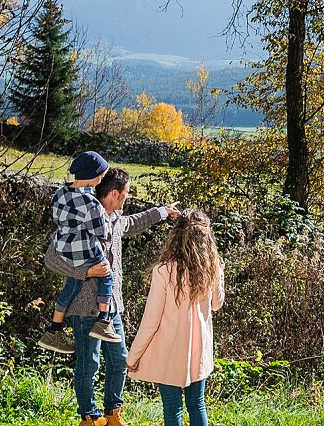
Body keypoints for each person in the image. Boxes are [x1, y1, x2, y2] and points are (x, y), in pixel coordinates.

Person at [45, 167, 181, 426]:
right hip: (84, 307)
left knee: (120, 361)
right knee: (89, 364)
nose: (127, 198)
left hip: (112, 308)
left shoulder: (117, 219)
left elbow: (134, 222)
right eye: (126, 193)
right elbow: (51, 258)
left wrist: (163, 211)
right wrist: (85, 271)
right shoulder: (80, 217)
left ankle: (112, 414)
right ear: (115, 193)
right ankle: (89, 417)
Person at [127, 209, 225, 426]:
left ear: (176, 236)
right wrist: (219, 271)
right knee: (197, 404)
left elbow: (151, 320)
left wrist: (133, 356)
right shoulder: (211, 268)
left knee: (172, 410)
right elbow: (217, 305)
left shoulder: (163, 271)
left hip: (169, 352)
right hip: (199, 350)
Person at [40, 151, 119, 353]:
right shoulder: (91, 203)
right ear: (92, 175)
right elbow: (101, 232)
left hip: (62, 246)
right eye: (101, 174)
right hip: (82, 249)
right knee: (106, 273)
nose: (102, 178)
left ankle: (54, 329)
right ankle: (103, 321)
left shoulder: (61, 192)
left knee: (72, 285)